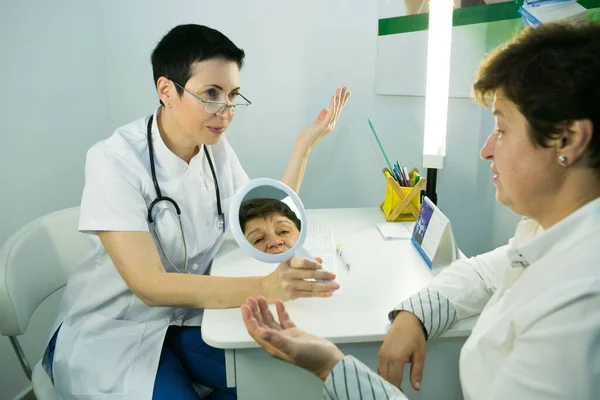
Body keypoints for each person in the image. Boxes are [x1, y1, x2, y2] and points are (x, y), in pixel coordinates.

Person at [241, 21, 600, 399]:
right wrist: (415, 314)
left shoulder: (579, 306)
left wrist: (329, 366)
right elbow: (481, 273)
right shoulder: (547, 232)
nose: (486, 150)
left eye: (502, 129)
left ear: (569, 139)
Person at [41, 24, 349, 400]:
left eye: (233, 95)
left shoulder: (214, 147)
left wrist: (304, 147)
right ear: (166, 90)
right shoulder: (114, 160)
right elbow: (150, 287)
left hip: (187, 321)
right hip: (113, 330)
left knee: (275, 381)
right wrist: (266, 287)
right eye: (211, 94)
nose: (226, 111)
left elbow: (262, 215)